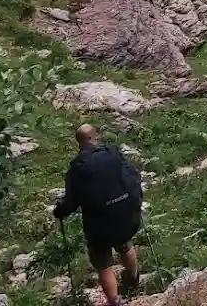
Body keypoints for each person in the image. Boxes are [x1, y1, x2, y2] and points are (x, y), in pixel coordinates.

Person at [53, 124, 144, 304]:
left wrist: (59, 211)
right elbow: (133, 174)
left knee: (102, 263)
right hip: (124, 213)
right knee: (125, 244)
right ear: (96, 136)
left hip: (99, 225)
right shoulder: (114, 154)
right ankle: (133, 281)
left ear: (79, 143)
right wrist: (136, 199)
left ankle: (114, 300)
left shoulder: (77, 167)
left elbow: (72, 201)